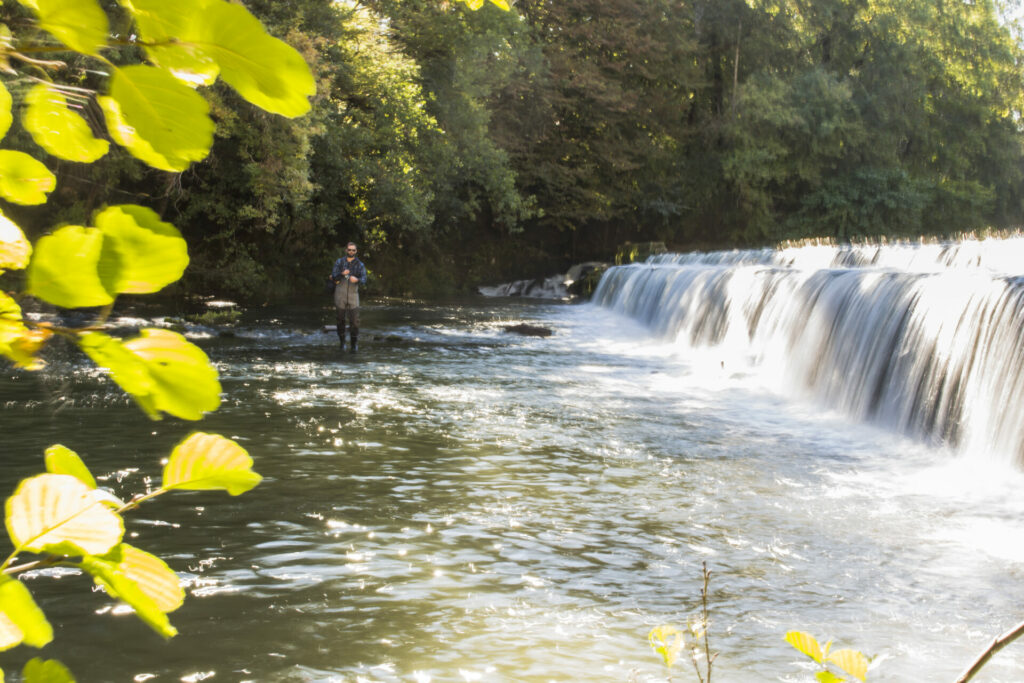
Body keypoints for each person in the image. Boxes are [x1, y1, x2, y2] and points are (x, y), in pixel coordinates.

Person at [329, 242, 367, 352]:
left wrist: (358, 280)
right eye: (349, 250)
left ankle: (354, 344)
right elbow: (333, 276)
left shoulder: (360, 265)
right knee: (340, 320)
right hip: (340, 294)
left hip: (353, 295)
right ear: (346, 250)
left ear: (356, 251)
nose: (351, 252)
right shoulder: (339, 262)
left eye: (353, 250)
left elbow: (364, 279)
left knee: (355, 321)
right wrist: (342, 274)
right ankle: (342, 343)